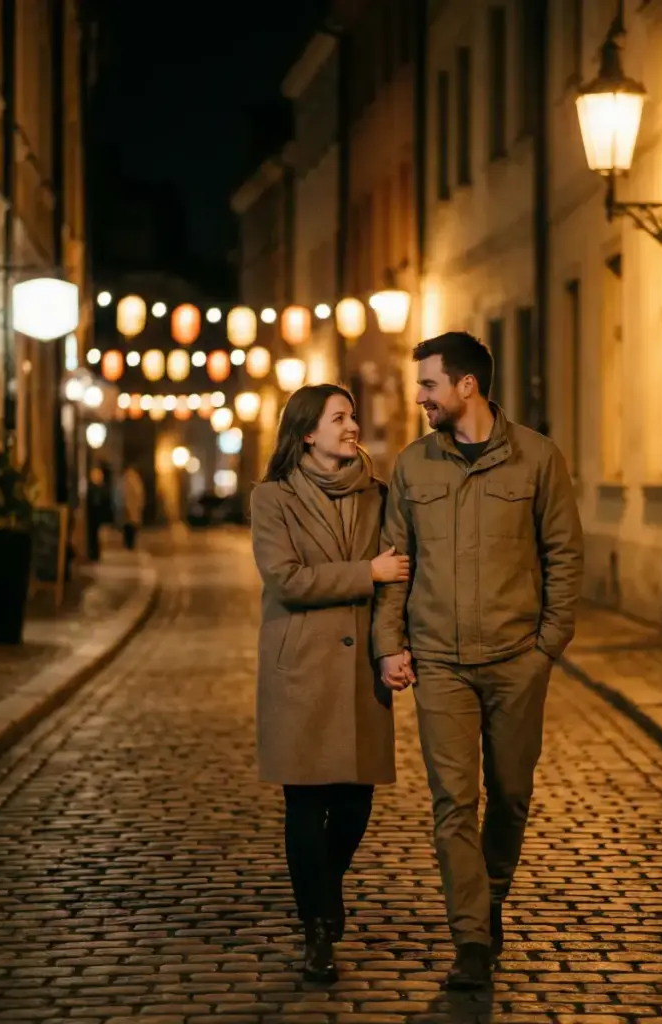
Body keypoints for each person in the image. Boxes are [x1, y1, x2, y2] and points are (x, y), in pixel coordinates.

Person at [372, 332, 583, 991]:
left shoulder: (538, 460)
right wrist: (390, 644)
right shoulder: (412, 467)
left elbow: (564, 557)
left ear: (467, 386)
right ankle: (470, 938)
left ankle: (489, 895)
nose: (419, 397)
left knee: (511, 796)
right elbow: (395, 566)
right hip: (440, 664)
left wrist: (546, 646)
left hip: (516, 660)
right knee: (452, 802)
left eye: (429, 384)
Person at [249, 384, 410, 984]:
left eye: (351, 416)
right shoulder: (272, 499)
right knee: (305, 800)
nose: (352, 425)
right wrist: (366, 572)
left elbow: (401, 578)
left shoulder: (379, 494)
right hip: (301, 669)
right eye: (339, 418)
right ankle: (316, 927)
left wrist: (396, 645)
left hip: (362, 667)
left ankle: (325, 884)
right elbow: (287, 580)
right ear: (307, 433)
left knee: (356, 802)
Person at [119, 464, 145, 550]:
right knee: (131, 526)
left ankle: (129, 544)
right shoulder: (135, 480)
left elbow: (122, 494)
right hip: (132, 508)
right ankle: (130, 544)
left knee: (129, 527)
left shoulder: (127, 480)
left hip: (129, 508)